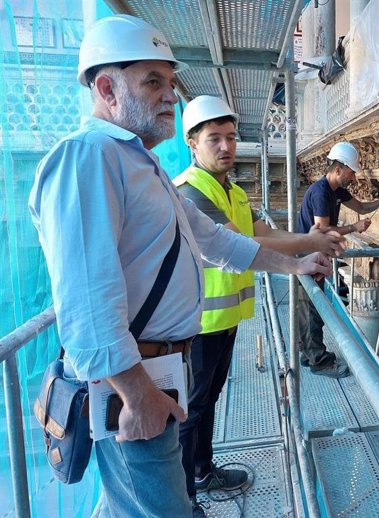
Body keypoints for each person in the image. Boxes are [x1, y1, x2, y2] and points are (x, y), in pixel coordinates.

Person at [28, 15, 329, 518]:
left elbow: (219, 243)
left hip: (160, 369)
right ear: (107, 88)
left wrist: (295, 266)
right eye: (153, 81)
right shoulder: (87, 158)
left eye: (170, 82)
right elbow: (85, 298)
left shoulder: (141, 166)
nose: (171, 95)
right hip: (132, 380)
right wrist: (136, 392)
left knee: (154, 500)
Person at [173, 95, 344, 516]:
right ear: (192, 143)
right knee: (189, 412)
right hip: (198, 325)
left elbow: (261, 228)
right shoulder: (191, 192)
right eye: (214, 139)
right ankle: (183, 500)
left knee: (206, 401)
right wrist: (307, 246)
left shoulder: (226, 187)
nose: (226, 147)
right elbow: (240, 243)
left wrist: (307, 244)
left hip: (223, 319)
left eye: (231, 137)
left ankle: (201, 470)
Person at [297, 141, 379, 378]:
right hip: (307, 255)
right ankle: (319, 361)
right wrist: (354, 227)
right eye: (351, 171)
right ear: (338, 169)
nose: (353, 177)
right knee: (312, 309)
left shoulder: (337, 191)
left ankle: (308, 354)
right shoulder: (322, 192)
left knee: (310, 307)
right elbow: (322, 231)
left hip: (315, 254)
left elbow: (362, 207)